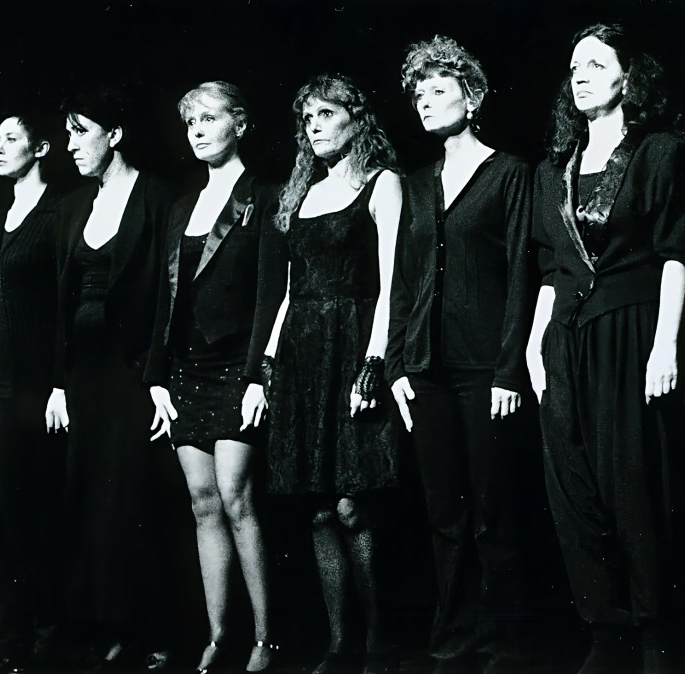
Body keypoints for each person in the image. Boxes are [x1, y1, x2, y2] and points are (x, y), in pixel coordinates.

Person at [528, 22, 685, 674]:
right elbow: (550, 268)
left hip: (631, 329)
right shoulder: (553, 170)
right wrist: (534, 349)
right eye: (575, 66)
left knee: (632, 479)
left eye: (597, 64)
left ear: (629, 77)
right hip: (565, 337)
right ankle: (606, 629)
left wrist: (666, 345)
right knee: (572, 484)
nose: (582, 75)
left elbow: (676, 253)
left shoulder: (659, 152)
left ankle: (653, 633)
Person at [387, 36, 533, 674]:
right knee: (445, 514)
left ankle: (504, 647)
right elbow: (404, 282)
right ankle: (452, 645)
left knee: (494, 513)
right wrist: (397, 365)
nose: (424, 102)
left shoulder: (510, 174)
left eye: (438, 91)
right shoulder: (417, 185)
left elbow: (523, 275)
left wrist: (509, 369)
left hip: (486, 370)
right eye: (418, 94)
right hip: (426, 372)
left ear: (471, 99)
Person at [263, 73, 402, 674]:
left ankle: (378, 641)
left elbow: (393, 283)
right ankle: (339, 643)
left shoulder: (381, 182)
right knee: (317, 509)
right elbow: (291, 291)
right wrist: (269, 363)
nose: (313, 126)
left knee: (352, 506)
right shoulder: (303, 192)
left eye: (325, 113)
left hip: (353, 347)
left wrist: (373, 363)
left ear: (355, 116)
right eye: (307, 118)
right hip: (302, 356)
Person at [145, 81, 280, 674]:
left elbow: (270, 295)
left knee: (235, 495)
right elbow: (165, 297)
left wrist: (257, 377)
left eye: (208, 118)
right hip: (186, 370)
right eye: (189, 122)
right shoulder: (181, 205)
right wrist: (156, 377)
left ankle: (266, 640)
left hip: (238, 369)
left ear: (240, 124)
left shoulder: (265, 195)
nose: (196, 131)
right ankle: (219, 636)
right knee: (203, 504)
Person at [44, 84, 176, 670]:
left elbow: (169, 295)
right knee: (88, 496)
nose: (71, 145)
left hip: (132, 371)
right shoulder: (74, 206)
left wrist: (156, 376)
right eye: (67, 133)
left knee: (132, 498)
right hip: (83, 375)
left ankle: (149, 628)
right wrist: (57, 382)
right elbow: (60, 302)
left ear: (115, 134)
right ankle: (103, 625)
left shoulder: (158, 198)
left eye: (81, 132)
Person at [0, 110, 66, 674]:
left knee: (40, 514)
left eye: (11, 138)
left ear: (41, 147)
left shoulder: (59, 213)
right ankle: (11, 647)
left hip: (39, 391)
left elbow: (64, 306)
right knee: (1, 518)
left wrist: (58, 383)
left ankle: (48, 642)